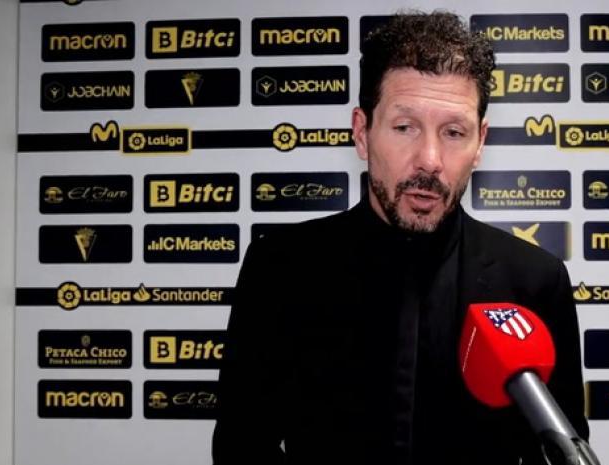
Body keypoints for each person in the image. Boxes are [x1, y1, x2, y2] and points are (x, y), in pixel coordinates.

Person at [212, 10, 588, 465]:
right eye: (405, 127)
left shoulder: (535, 282)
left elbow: (561, 452)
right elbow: (240, 446)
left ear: (480, 142)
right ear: (362, 133)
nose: (429, 159)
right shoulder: (281, 269)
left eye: (454, 132)